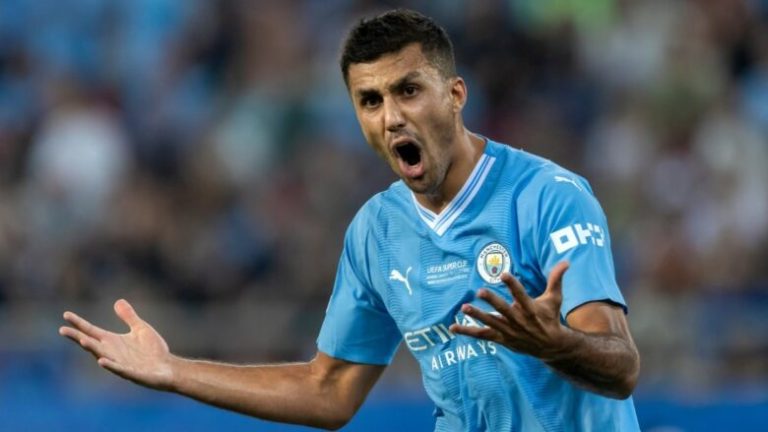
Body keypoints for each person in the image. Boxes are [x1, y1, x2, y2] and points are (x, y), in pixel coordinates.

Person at [60, 9, 640, 431]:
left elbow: (621, 367)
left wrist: (555, 343)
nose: (391, 117)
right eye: (371, 100)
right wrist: (172, 371)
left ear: (456, 94)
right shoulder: (375, 232)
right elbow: (330, 391)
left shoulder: (547, 197)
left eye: (408, 90)